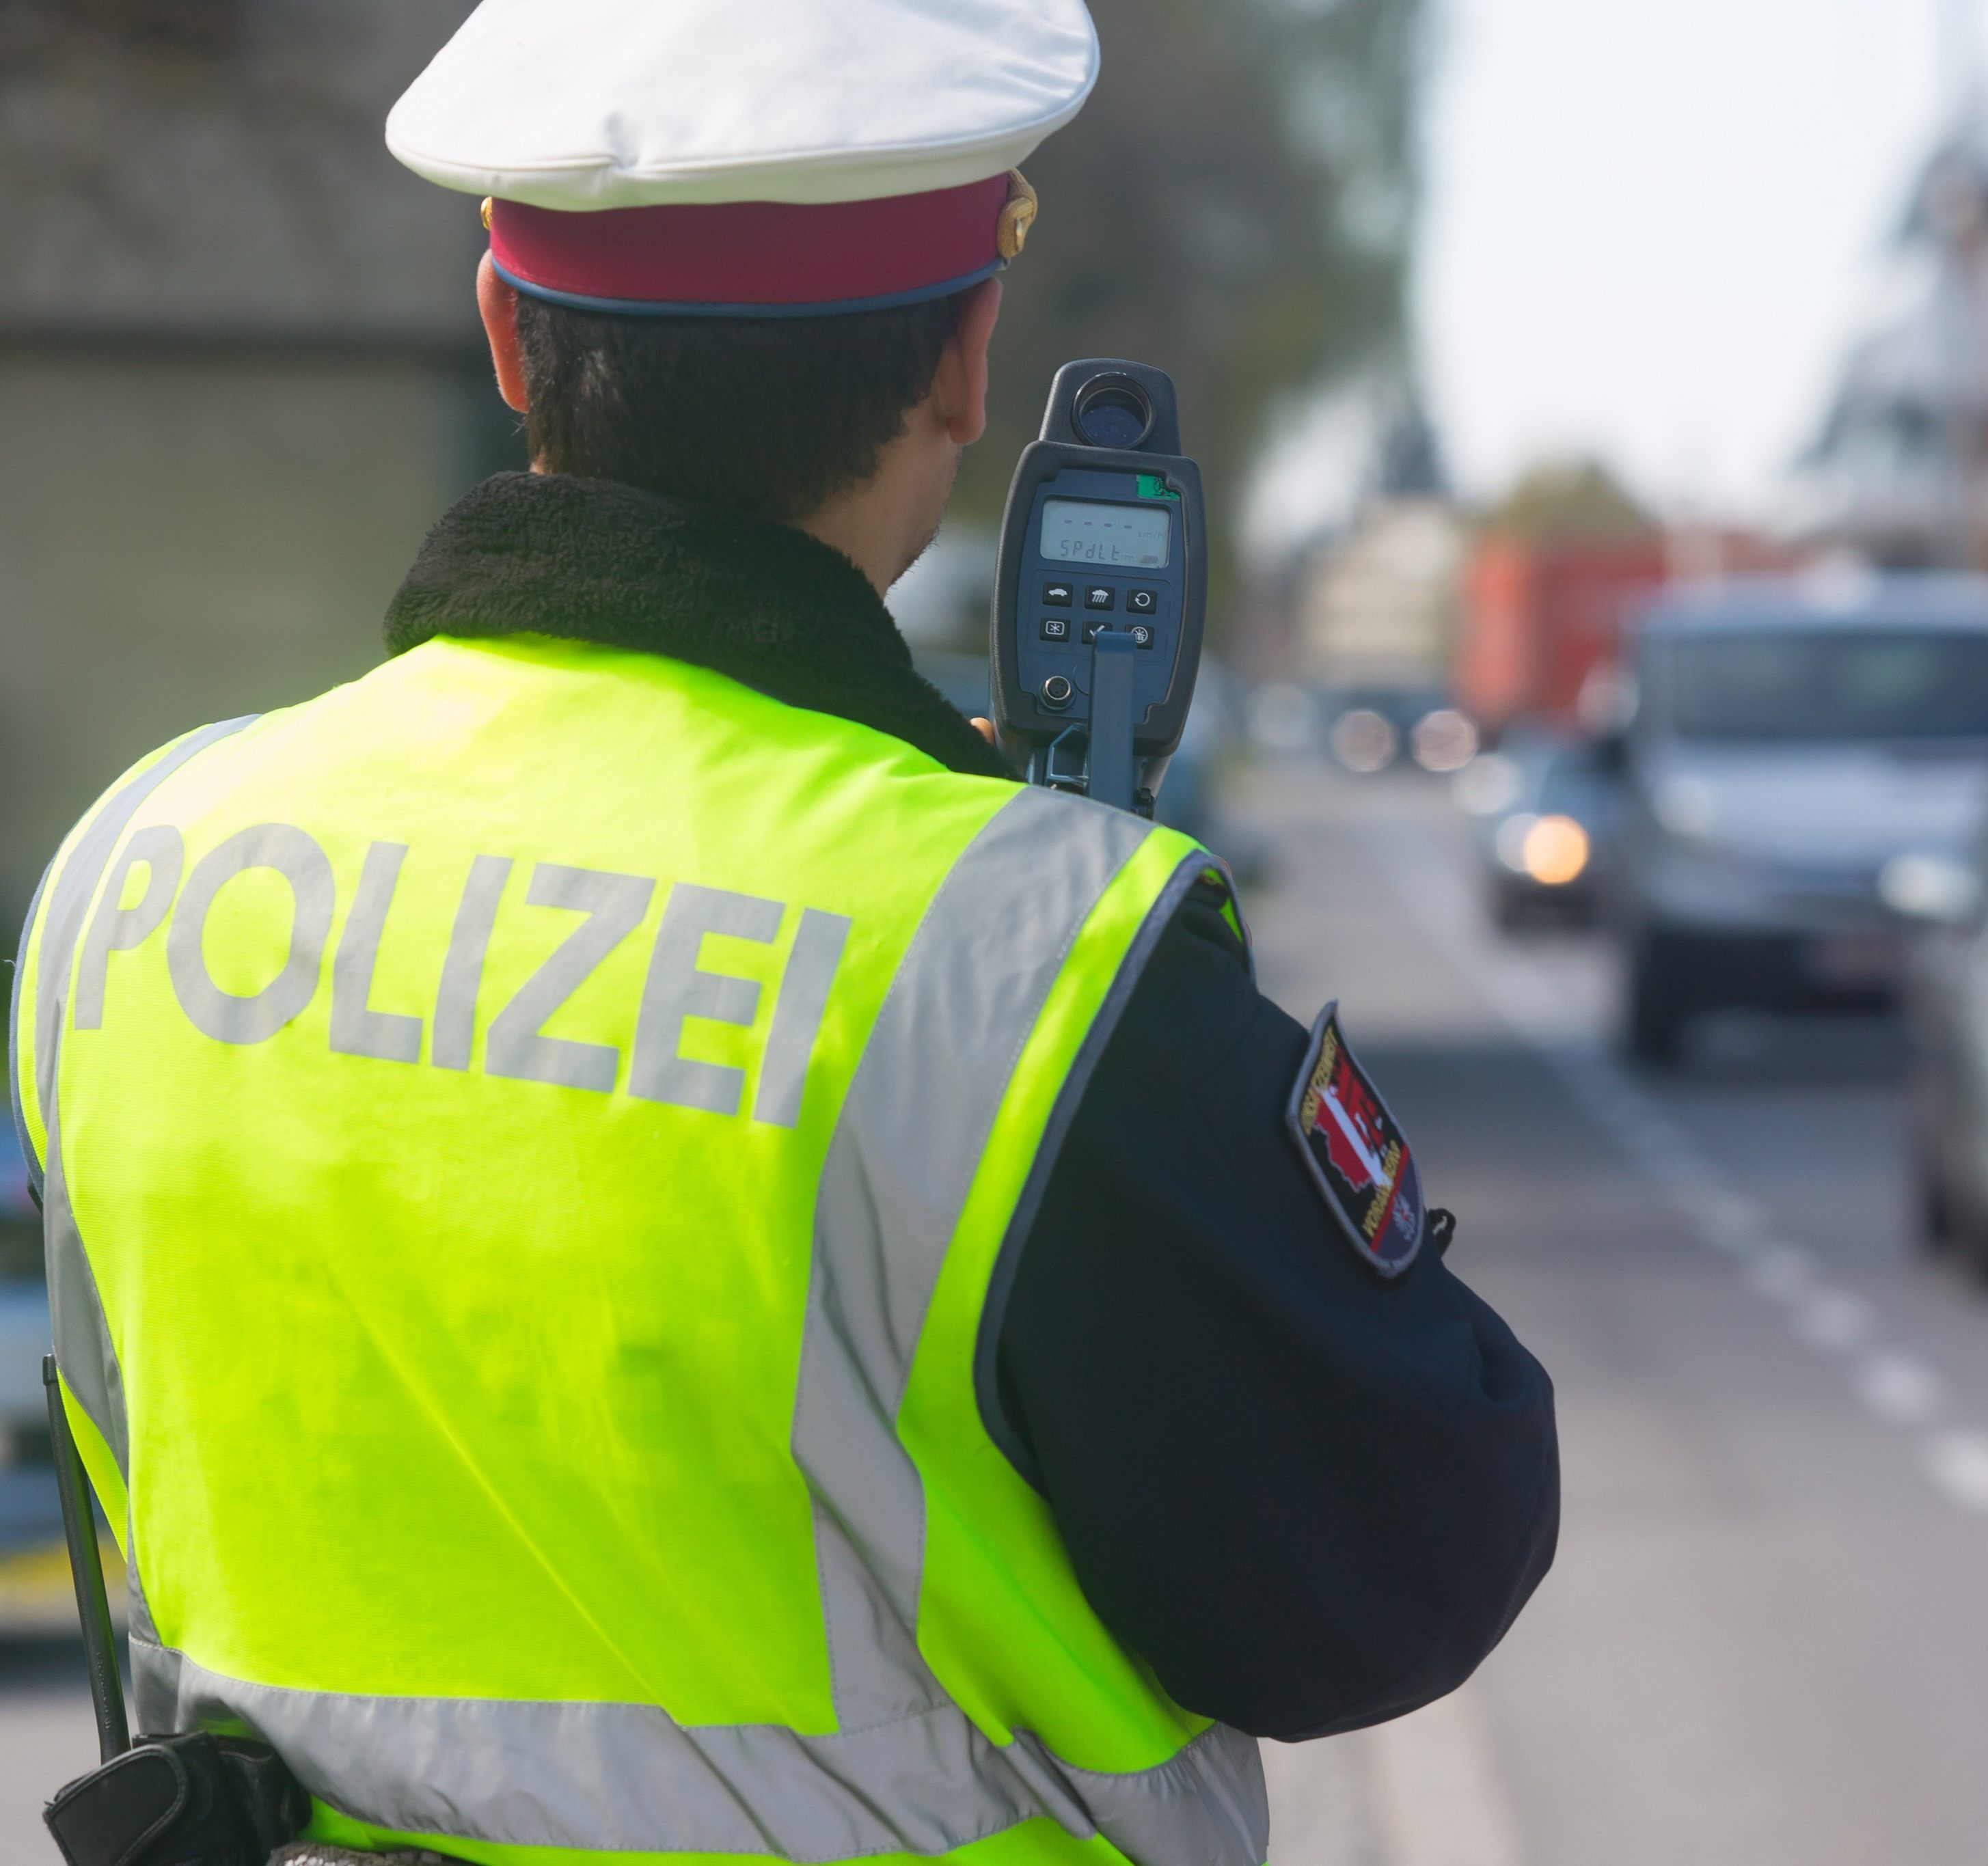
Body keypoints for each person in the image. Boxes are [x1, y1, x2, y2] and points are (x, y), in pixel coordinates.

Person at [14, 2, 1559, 1862]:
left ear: (509, 336)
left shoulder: (135, 864)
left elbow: (131, 1456)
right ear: (964, 366)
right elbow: (1390, 1566)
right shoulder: (1023, 971)